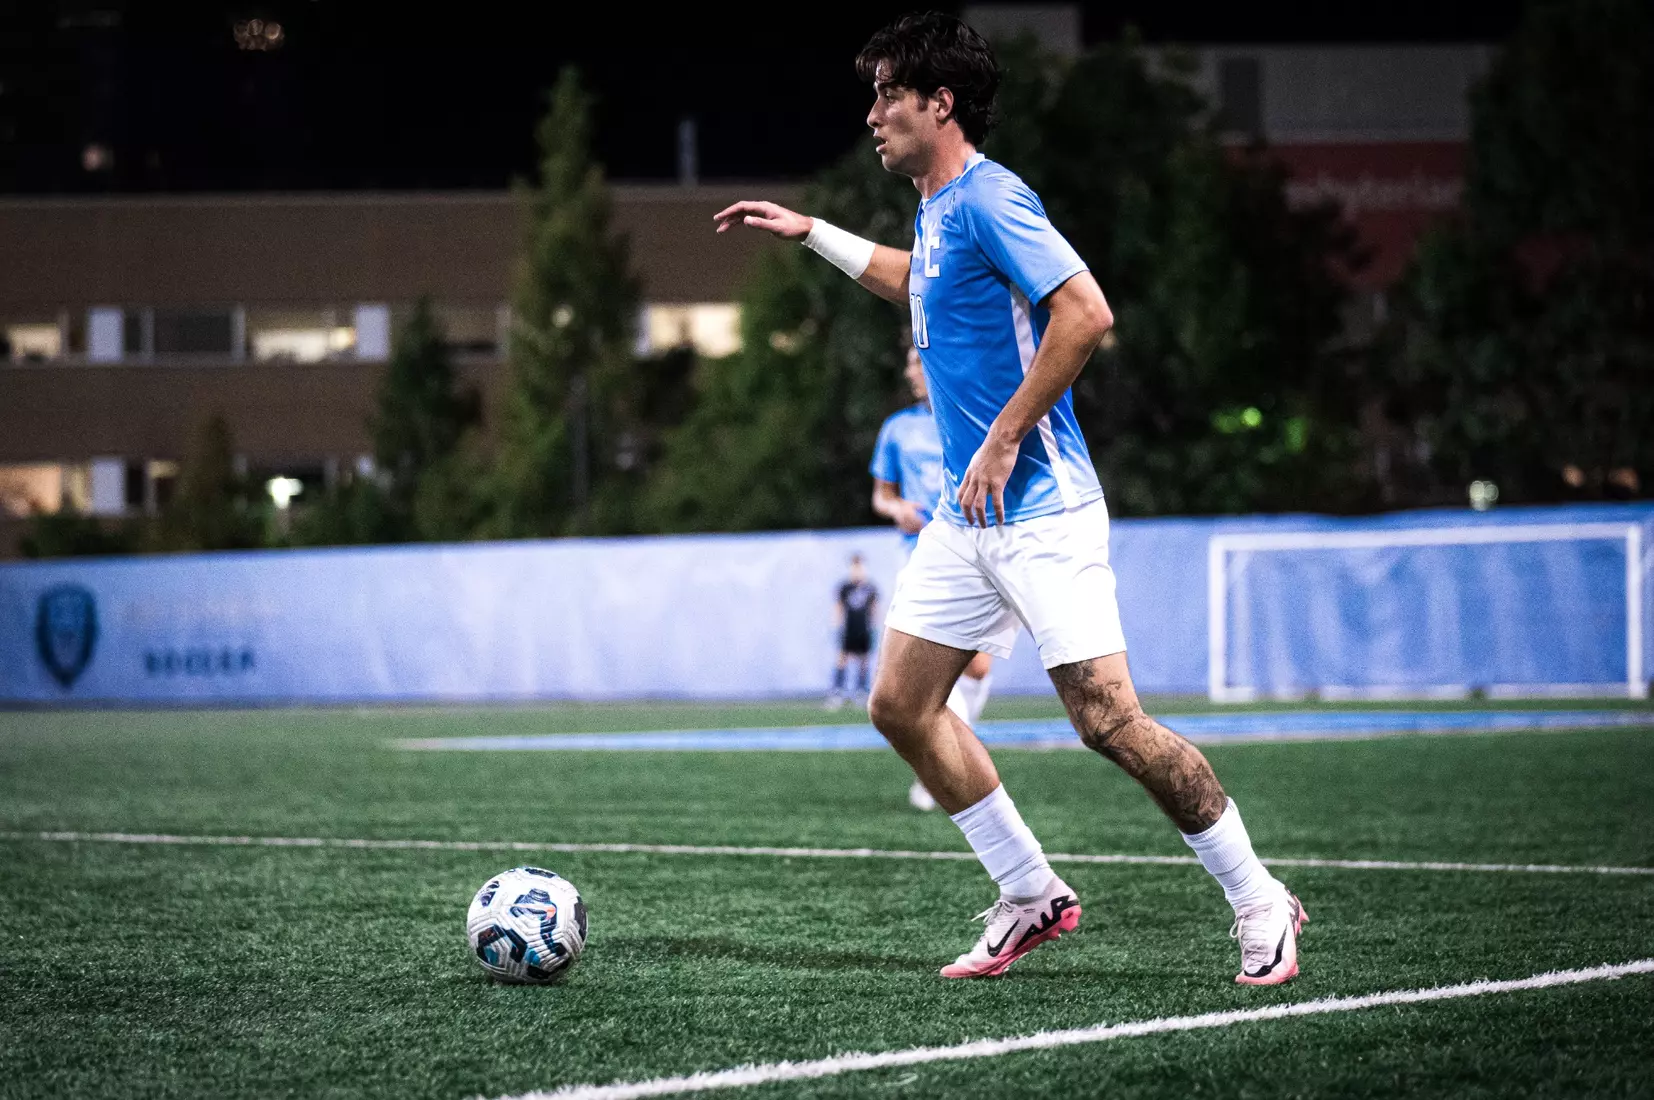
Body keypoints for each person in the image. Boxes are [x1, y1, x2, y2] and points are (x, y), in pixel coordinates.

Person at [715, 12, 1304, 984]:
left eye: (887, 97)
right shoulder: (936, 209)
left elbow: (1086, 312)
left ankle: (1258, 896)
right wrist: (809, 229)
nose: (871, 116)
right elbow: (919, 287)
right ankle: (1030, 891)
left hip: (1042, 509)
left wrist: (999, 438)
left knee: (1107, 719)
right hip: (967, 519)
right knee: (901, 705)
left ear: (939, 103)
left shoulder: (991, 197)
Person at [871, 344, 993, 810]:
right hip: (919, 555)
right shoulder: (897, 428)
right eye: (905, 363)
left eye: (916, 362)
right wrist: (897, 507)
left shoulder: (969, 412)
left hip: (976, 547)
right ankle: (941, 768)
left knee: (978, 666)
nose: (910, 372)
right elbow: (881, 495)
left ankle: (948, 752)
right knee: (922, 670)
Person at [827, 554, 878, 709]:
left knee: (863, 660)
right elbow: (839, 607)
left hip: (863, 629)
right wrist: (836, 626)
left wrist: (874, 628)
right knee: (842, 658)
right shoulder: (845, 587)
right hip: (848, 629)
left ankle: (861, 691)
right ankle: (838, 691)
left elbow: (874, 608)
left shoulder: (870, 588)